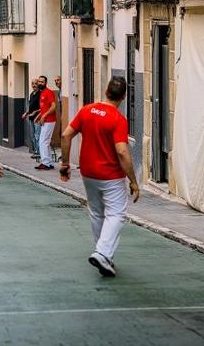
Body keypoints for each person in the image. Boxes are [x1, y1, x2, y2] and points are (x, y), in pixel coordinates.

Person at [59, 76, 140, 277]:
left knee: (96, 213)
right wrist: (133, 180)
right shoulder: (118, 119)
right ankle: (102, 252)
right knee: (116, 214)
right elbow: (122, 151)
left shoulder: (86, 110)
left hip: (88, 173)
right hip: (110, 175)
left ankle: (104, 256)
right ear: (123, 97)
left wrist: (65, 164)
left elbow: (66, 135)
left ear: (106, 91)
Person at [34, 75, 57, 170]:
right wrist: (38, 116)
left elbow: (53, 106)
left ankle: (45, 162)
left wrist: (43, 116)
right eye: (39, 81)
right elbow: (44, 108)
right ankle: (48, 162)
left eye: (42, 82)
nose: (40, 83)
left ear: (46, 83)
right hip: (46, 121)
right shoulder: (42, 93)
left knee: (42, 141)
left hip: (49, 121)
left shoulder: (49, 92)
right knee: (45, 141)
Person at [22, 79, 41, 158]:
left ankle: (39, 152)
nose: (34, 85)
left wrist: (35, 112)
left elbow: (42, 107)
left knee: (37, 135)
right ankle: (36, 151)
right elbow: (30, 106)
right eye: (32, 84)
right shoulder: (31, 94)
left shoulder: (40, 94)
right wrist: (26, 113)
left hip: (38, 118)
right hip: (31, 118)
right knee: (32, 135)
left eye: (35, 83)